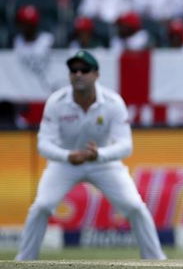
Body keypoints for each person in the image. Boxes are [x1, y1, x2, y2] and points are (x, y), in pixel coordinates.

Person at [16, 50, 166, 261]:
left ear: (96, 74)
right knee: (41, 206)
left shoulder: (113, 102)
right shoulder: (56, 102)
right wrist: (67, 156)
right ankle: (24, 261)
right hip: (65, 163)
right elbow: (44, 144)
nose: (78, 74)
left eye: (84, 70)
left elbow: (126, 146)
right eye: (73, 70)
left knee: (135, 207)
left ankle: (156, 260)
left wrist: (100, 154)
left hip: (103, 163)